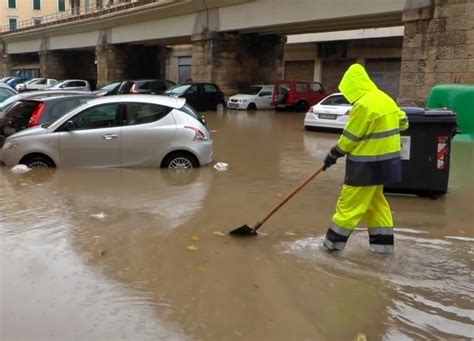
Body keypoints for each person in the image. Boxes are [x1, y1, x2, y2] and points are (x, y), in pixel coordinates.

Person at [322, 63, 408, 254]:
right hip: (387, 164)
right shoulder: (385, 99)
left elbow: (349, 139)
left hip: (365, 166)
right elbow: (403, 122)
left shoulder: (362, 105)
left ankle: (330, 248)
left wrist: (332, 155)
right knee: (376, 206)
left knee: (348, 206)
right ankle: (383, 249)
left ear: (353, 87)